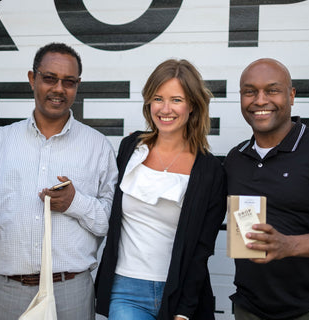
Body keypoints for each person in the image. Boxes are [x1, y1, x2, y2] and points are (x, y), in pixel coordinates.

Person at [0, 42, 118, 320]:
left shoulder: (98, 146)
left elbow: (110, 222)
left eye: (68, 82)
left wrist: (74, 202)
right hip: (5, 291)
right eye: (49, 78)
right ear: (32, 79)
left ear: (77, 85)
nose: (59, 89)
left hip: (70, 292)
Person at [224, 58, 309, 320]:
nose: (260, 100)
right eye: (249, 91)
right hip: (248, 309)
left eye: (272, 90)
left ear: (291, 96)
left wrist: (287, 245)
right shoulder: (236, 159)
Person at [95, 59, 227, 320]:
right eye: (158, 98)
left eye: (176, 99)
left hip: (178, 294)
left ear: (193, 105)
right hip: (126, 289)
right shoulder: (130, 148)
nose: (165, 109)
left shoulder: (211, 171)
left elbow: (202, 249)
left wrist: (184, 311)